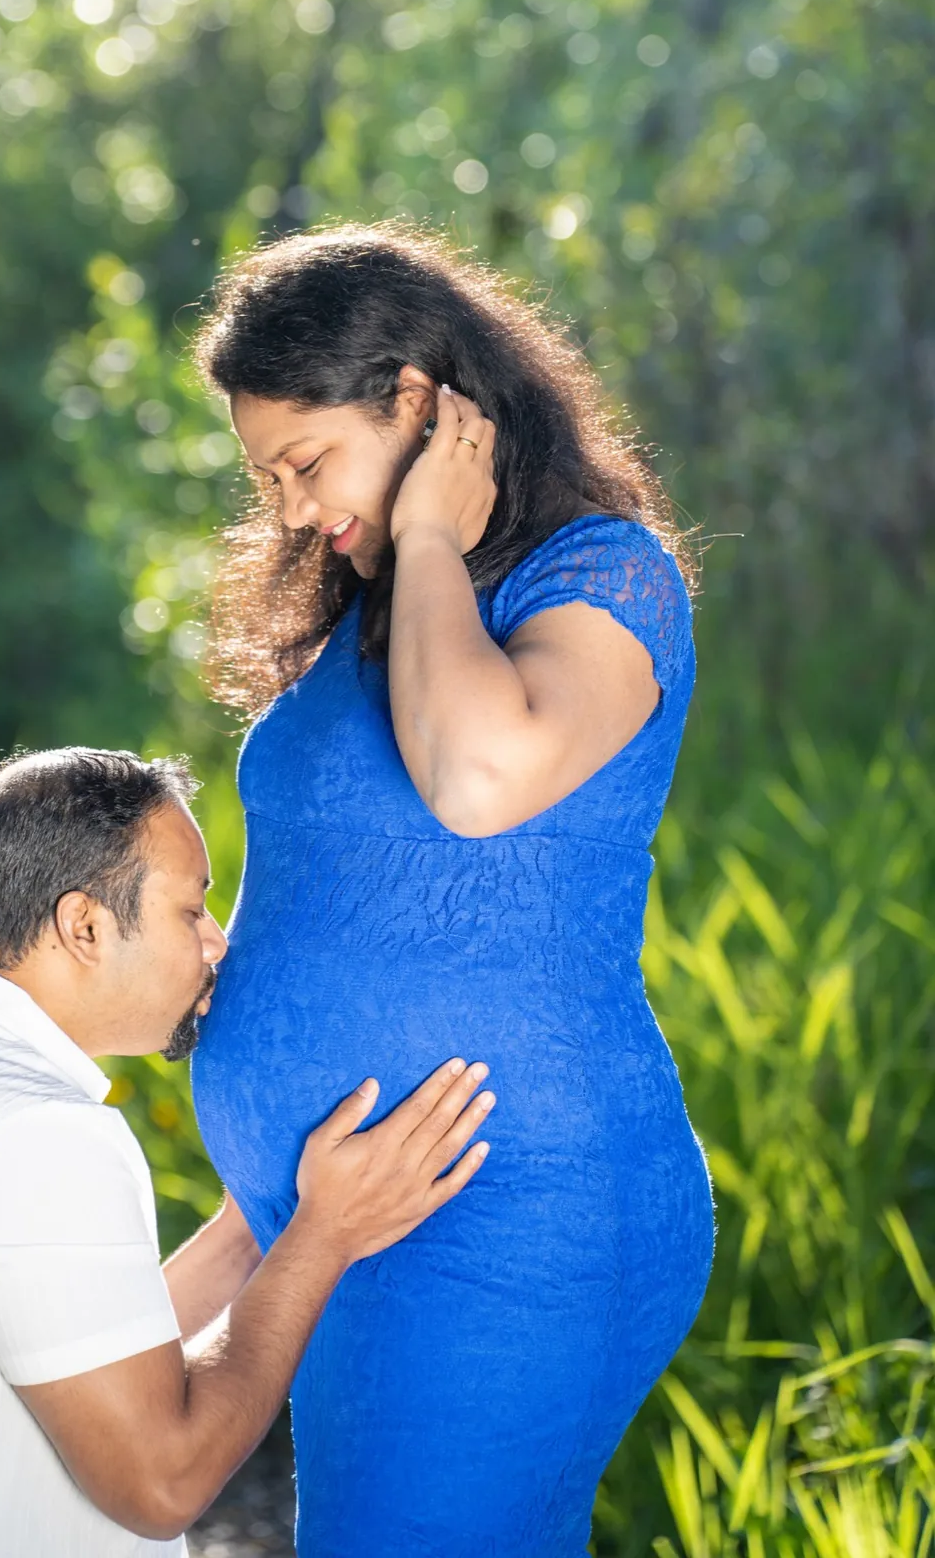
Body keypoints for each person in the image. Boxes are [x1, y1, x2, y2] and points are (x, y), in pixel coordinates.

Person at [189, 224, 716, 1558]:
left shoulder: (603, 576)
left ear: (419, 402)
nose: (291, 509)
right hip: (341, 1224)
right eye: (268, 478)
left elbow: (476, 778)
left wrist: (427, 530)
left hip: (505, 1224)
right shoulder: (369, 615)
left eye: (306, 462)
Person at [0, 746, 493, 1558]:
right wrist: (325, 1236)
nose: (215, 943)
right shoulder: (30, 1128)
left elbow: (80, 1341)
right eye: (190, 910)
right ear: (85, 927)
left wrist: (254, 1232)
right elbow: (162, 1483)